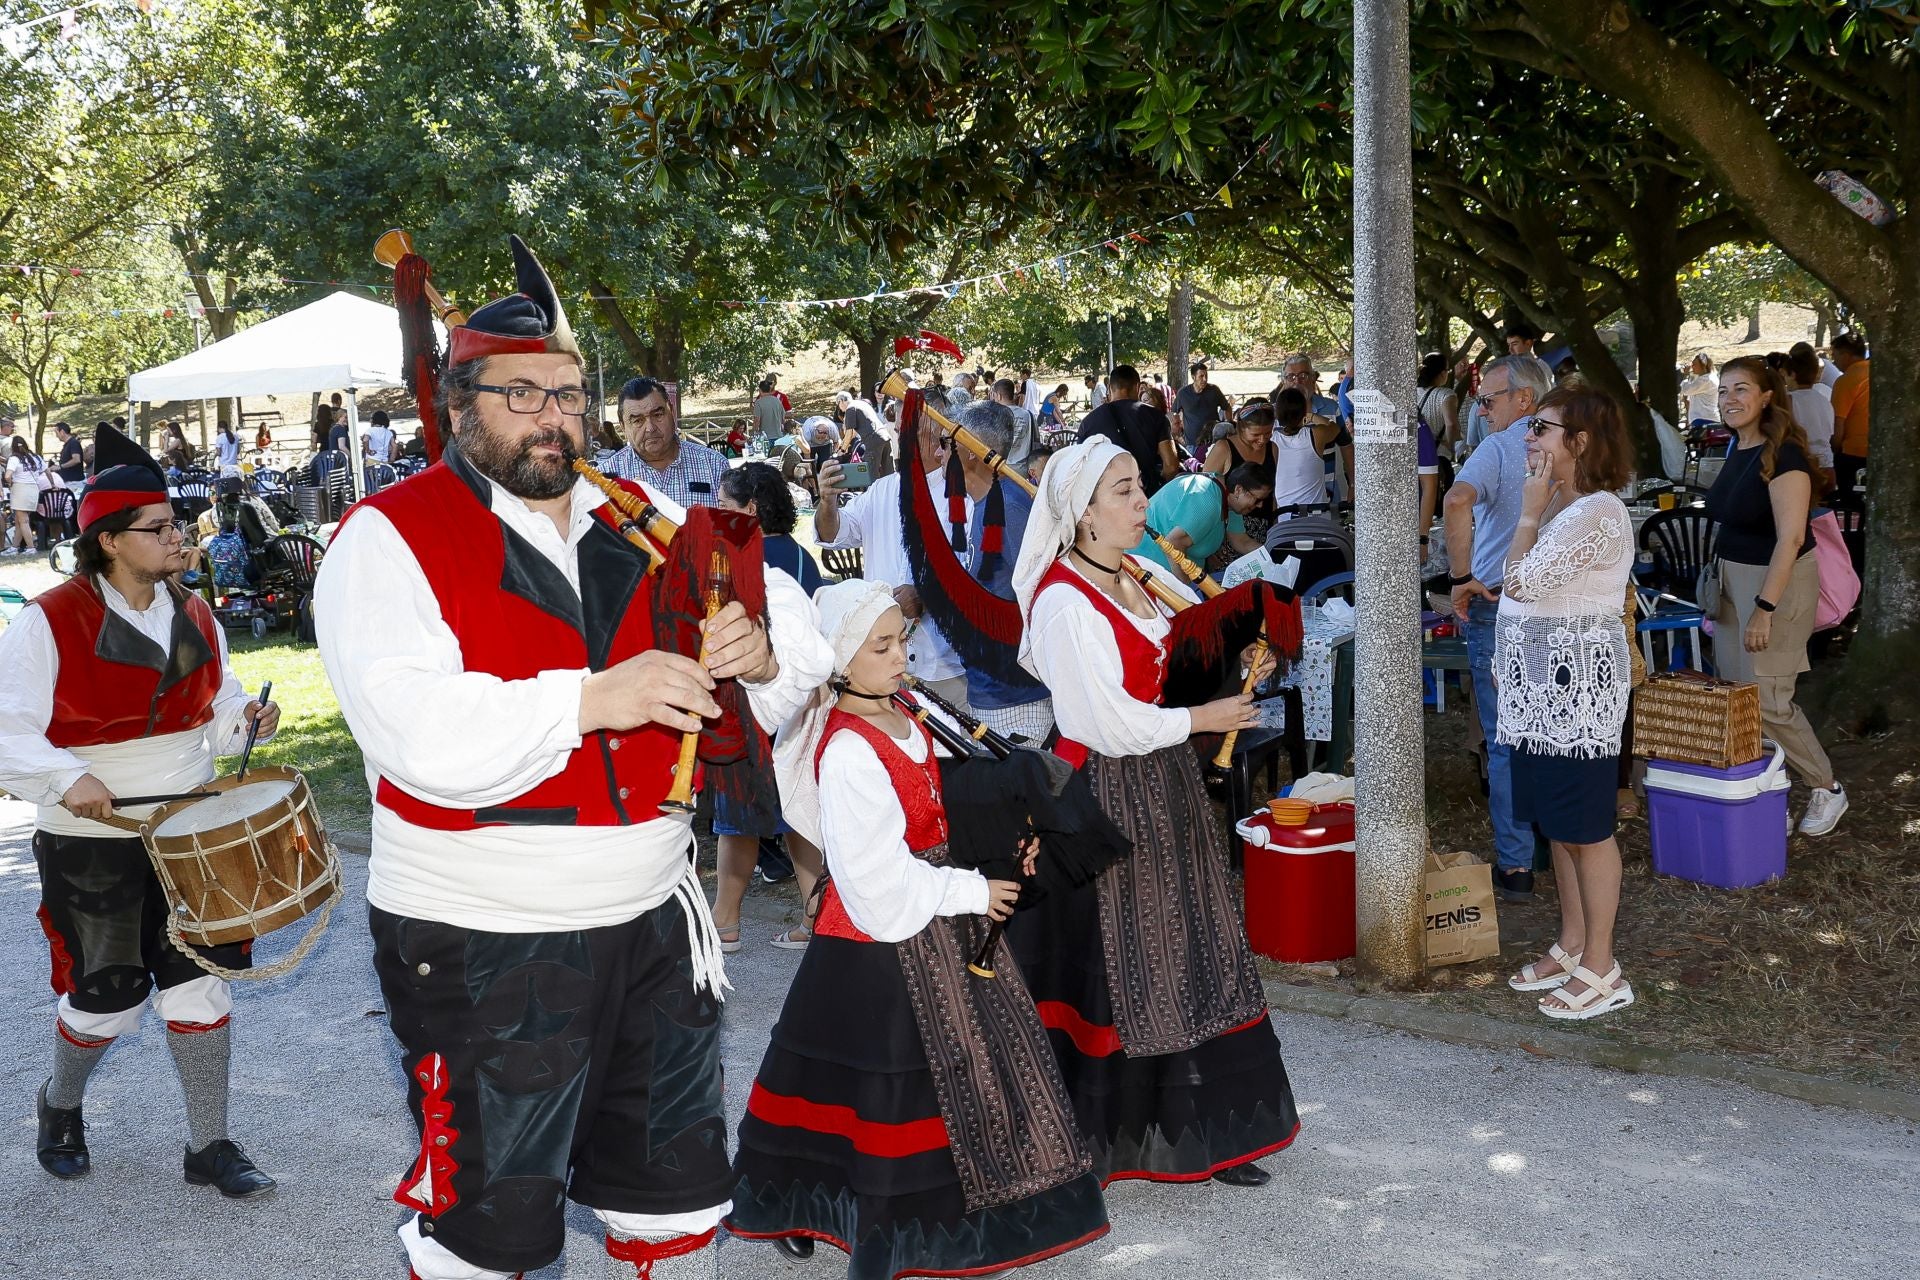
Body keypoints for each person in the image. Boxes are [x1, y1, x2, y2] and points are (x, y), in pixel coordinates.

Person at [313, 235, 833, 1280]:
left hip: (651, 918)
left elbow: (802, 658)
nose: (557, 417)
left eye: (568, 391)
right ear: (460, 406)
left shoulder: (650, 524)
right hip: (484, 933)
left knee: (676, 1199)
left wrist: (762, 651)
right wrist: (597, 696)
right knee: (494, 1231)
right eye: (522, 394)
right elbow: (413, 732)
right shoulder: (386, 536)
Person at [726, 580, 1109, 1277]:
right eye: (883, 646)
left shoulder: (901, 711)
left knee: (901, 1082)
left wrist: (1002, 840)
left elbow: (935, 808)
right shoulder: (846, 750)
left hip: (932, 910)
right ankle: (805, 1206)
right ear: (840, 661)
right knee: (881, 1086)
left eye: (903, 638)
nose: (902, 655)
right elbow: (873, 886)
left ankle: (948, 1208)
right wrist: (971, 888)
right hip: (879, 936)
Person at [1008, 438, 1300, 1187]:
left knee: (1190, 944)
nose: (1144, 501)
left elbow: (1172, 664)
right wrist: (1208, 716)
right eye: (1125, 491)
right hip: (1104, 789)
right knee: (1128, 957)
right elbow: (1104, 723)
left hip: (1160, 779)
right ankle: (1100, 1137)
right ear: (1083, 515)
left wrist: (1239, 654)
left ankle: (1205, 1130)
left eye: (1141, 485)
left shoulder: (1135, 572)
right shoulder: (1066, 602)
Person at [0, 425, 280, 1194]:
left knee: (201, 978)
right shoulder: (48, 620)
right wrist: (64, 778)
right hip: (90, 829)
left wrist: (245, 722)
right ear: (110, 541)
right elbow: (6, 727)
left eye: (173, 524)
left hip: (190, 822)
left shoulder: (194, 613)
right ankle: (59, 1104)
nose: (177, 537)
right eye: (158, 528)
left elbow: (214, 707)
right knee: (108, 993)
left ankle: (210, 1145)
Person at [1492, 387, 1637, 1021]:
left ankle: (1604, 966)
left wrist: (1527, 513)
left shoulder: (1598, 513)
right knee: (1557, 827)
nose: (1531, 439)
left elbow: (1519, 580)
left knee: (1588, 830)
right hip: (1542, 693)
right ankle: (1574, 945)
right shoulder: (1570, 510)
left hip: (1578, 696)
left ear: (1579, 443)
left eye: (1543, 429)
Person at [1705, 356, 1847, 837]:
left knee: (1770, 699)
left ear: (1767, 395)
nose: (1730, 400)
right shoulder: (1737, 446)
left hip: (1776, 585)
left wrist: (1763, 610)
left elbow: (1789, 540)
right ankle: (1771, 793)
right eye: (1723, 391)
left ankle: (1827, 787)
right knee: (1741, 699)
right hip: (1732, 581)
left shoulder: (1784, 455)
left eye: (1741, 389)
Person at [1443, 353, 1554, 901]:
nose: (1481, 410)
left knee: (1507, 737)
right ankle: (1560, 845)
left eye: (1488, 399)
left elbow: (1456, 498)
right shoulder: (1570, 445)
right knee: (1556, 730)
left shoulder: (1502, 446)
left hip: (1501, 603)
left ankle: (1516, 865)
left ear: (1524, 400)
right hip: (1562, 608)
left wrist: (1460, 576)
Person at [709, 462, 826, 953]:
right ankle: (816, 918)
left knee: (736, 823)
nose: (716, 514)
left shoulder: (736, 560)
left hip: (748, 710)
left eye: (724, 505)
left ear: (749, 510)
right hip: (801, 711)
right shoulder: (802, 558)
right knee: (798, 816)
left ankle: (726, 922)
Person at [814, 395, 973, 710]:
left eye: (916, 431)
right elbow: (833, 533)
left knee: (953, 755)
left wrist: (927, 596)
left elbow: (976, 571)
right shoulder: (883, 490)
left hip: (943, 661)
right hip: (883, 664)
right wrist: (827, 502)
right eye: (901, 430)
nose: (905, 440)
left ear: (944, 433)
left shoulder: (965, 493)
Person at [924, 400, 1054, 739]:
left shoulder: (1009, 508)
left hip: (1016, 699)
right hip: (994, 691)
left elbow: (1040, 599)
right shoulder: (988, 504)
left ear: (969, 451)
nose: (939, 455)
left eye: (945, 444)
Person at [600, 374, 730, 508]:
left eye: (657, 415)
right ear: (622, 426)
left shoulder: (715, 466)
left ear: (672, 411)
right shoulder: (604, 479)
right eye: (638, 420)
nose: (650, 428)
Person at [1131, 465, 1269, 578]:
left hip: (1162, 570)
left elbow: (1241, 541)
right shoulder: (1208, 499)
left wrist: (1271, 558)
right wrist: (1188, 592)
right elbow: (1174, 543)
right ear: (1239, 490)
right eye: (1257, 499)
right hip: (1147, 566)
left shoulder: (1229, 502)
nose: (1261, 506)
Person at [1075, 364, 1176, 496]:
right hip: (1148, 495)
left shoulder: (1089, 422)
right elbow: (1171, 465)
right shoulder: (1155, 416)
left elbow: (1081, 467)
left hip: (1109, 499)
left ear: (1110, 388)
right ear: (1138, 387)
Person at [1786, 343, 1837, 491]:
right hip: (1827, 466)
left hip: (1804, 467)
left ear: (1793, 375)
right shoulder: (1825, 398)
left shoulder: (1789, 400)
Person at [1827, 331, 1869, 500]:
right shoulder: (1880, 373)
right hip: (1882, 449)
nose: (1834, 361)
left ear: (1845, 355)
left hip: (1854, 454)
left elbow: (1838, 422)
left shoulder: (1847, 380)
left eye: (1835, 355)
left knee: (1850, 500)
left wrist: (1835, 449)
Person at [1172, 360, 1232, 454]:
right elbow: (1173, 413)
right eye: (1201, 376)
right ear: (1193, 377)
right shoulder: (1183, 393)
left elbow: (1227, 407)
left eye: (1206, 376)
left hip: (1213, 443)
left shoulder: (1214, 390)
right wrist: (1177, 435)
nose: (1204, 379)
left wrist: (1229, 424)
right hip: (1192, 444)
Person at [835, 389, 894, 479]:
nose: (840, 408)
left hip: (873, 440)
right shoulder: (861, 404)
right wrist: (843, 445)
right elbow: (854, 433)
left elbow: (849, 433)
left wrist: (842, 450)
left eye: (838, 404)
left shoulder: (850, 409)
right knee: (888, 472)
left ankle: (872, 492)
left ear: (841, 401)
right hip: (885, 436)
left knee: (870, 474)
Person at [7, 436, 48, 553]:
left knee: (23, 520)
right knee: (20, 520)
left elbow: (7, 475)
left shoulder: (14, 458)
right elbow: (47, 471)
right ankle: (14, 547)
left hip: (20, 489)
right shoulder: (35, 457)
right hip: (33, 489)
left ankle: (31, 548)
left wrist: (10, 483)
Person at [1680, 352, 1719, 430]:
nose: (1692, 366)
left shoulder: (1706, 380)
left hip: (1704, 420)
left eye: (1694, 364)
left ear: (1703, 366)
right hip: (1704, 418)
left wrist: (1685, 376)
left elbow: (1686, 390)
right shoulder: (1705, 378)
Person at [751, 378, 786, 447]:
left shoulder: (758, 403)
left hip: (766, 437)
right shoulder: (777, 401)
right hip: (779, 436)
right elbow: (783, 419)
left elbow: (757, 420)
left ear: (760, 390)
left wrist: (754, 433)